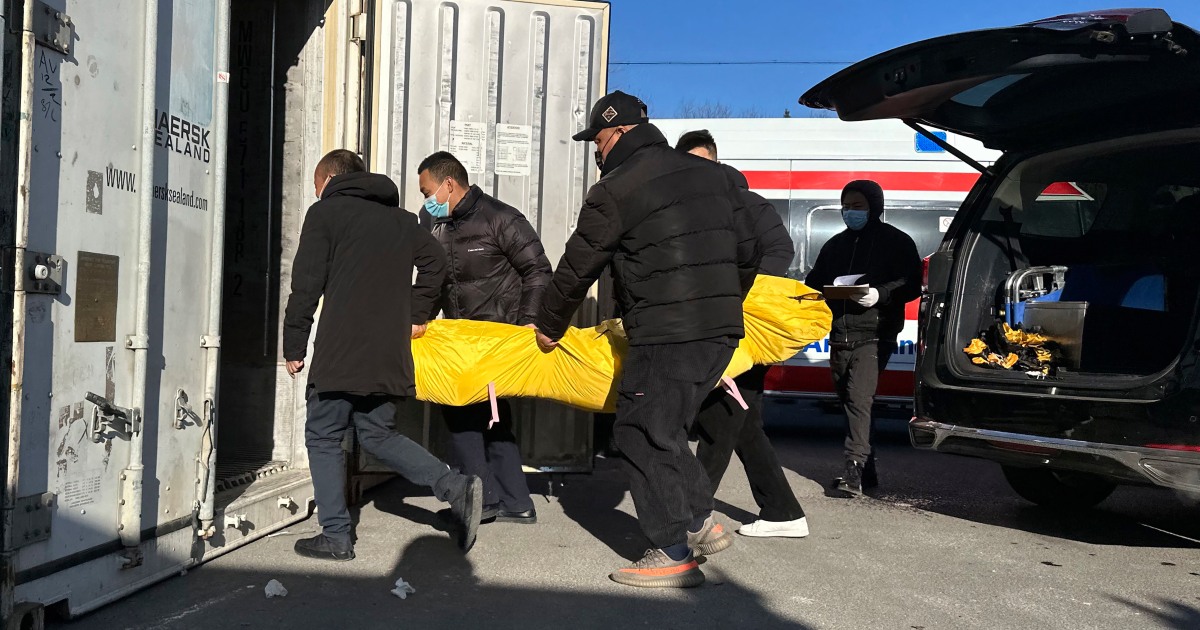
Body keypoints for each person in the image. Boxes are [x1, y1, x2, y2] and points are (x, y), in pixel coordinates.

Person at [532, 91, 757, 588]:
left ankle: (674, 547)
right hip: (719, 331)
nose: (595, 151)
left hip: (667, 332)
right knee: (667, 427)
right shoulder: (719, 177)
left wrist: (549, 326)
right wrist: (721, 301)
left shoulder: (616, 189)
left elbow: (577, 268)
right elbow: (751, 246)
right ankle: (701, 519)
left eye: (597, 141)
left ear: (616, 133)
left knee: (639, 429)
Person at [283, 149, 484, 560]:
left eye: (316, 184)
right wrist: (416, 313)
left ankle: (336, 535)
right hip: (387, 353)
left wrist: (294, 345)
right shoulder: (402, 222)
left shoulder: (325, 215)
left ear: (328, 179)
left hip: (340, 353)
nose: (316, 191)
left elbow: (305, 286)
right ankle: (454, 487)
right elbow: (436, 267)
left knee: (322, 436)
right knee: (377, 433)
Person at [676, 130, 809, 539]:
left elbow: (779, 253)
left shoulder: (747, 203)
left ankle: (688, 517)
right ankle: (783, 512)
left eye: (702, 163)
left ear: (716, 162)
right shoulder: (684, 209)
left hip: (745, 331)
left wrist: (736, 292)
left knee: (724, 417)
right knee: (741, 421)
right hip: (705, 328)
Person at [417, 150, 552, 525]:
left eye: (427, 191)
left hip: (496, 339)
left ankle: (483, 502)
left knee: (462, 417)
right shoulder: (440, 226)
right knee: (493, 419)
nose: (425, 200)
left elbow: (538, 270)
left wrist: (527, 323)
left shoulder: (501, 218)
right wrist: (419, 320)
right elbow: (437, 283)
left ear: (449, 184)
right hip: (462, 343)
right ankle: (516, 501)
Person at [805, 180, 922, 496]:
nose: (850, 212)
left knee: (859, 398)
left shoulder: (896, 242)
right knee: (850, 402)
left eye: (857, 206)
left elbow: (911, 283)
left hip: (875, 334)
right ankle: (868, 471)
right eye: (846, 206)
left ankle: (853, 471)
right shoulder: (835, 245)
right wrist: (825, 291)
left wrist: (879, 294)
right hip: (840, 333)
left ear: (875, 207)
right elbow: (814, 281)